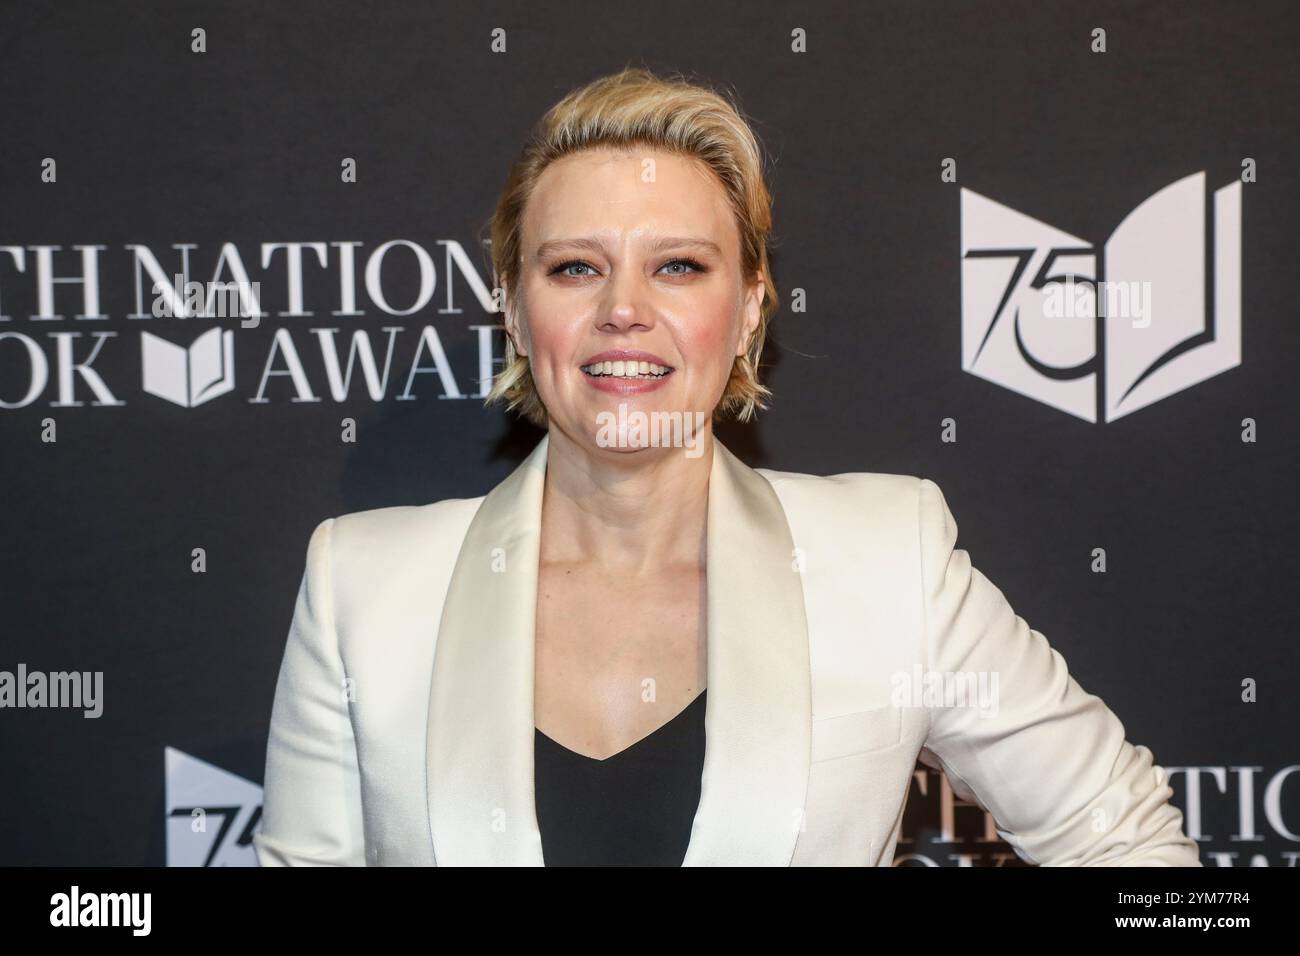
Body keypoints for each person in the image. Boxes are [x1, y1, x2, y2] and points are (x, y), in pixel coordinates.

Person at [253, 66, 1201, 866]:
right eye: (576, 267)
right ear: (511, 306)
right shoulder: (363, 589)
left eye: (679, 267)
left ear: (750, 308)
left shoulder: (887, 561)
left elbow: (1126, 839)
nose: (624, 309)